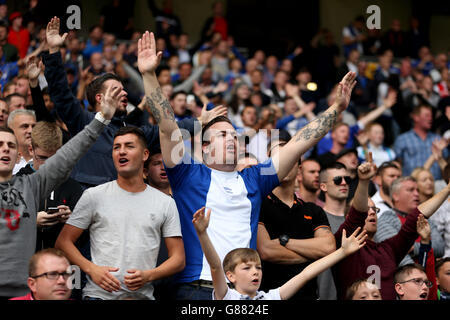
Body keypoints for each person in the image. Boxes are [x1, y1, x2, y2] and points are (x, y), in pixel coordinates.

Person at [137, 30, 357, 299]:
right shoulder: (186, 172)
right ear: (204, 147)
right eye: (222, 135)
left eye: (234, 135)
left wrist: (336, 109)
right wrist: (149, 75)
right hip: (197, 289)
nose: (231, 139)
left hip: (245, 294)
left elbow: (300, 141)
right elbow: (167, 123)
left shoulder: (255, 177)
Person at [42, 17, 218, 188]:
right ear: (99, 98)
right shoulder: (83, 121)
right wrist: (54, 53)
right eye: (116, 89)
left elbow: (168, 129)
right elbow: (61, 93)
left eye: (124, 89)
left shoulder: (132, 132)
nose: (124, 92)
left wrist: (198, 122)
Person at [0, 81, 121, 300]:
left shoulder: (30, 185)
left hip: (24, 292)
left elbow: (70, 153)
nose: (5, 149)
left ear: (18, 153)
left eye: (10, 145)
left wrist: (101, 119)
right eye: (0, 145)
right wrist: (30, 220)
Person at [55, 126, 185, 300]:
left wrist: (149, 275)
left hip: (142, 297)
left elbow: (178, 259)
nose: (121, 152)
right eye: (117, 147)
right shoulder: (93, 195)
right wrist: (91, 269)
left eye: (129, 146)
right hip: (97, 296)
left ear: (145, 155)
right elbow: (63, 242)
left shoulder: (165, 203)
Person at [332, 155, 450, 300]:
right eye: (366, 209)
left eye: (374, 210)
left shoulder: (388, 249)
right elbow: (357, 214)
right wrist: (363, 181)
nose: (371, 213)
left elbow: (415, 219)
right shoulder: (343, 245)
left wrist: (448, 188)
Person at [192, 206, 366, 300]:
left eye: (258, 267)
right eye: (247, 268)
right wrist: (202, 234)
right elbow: (215, 266)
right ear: (230, 276)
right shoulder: (226, 296)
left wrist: (342, 252)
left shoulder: (271, 297)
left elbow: (306, 274)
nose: (255, 272)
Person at [257, 139, 335, 300]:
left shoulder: (313, 210)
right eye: (278, 159)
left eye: (289, 158)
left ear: (299, 169)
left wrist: (285, 242)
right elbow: (266, 251)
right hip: (268, 296)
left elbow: (328, 248)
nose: (284, 164)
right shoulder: (258, 204)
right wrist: (313, 253)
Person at [15, 121, 83, 252]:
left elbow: (82, 239)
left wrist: (71, 221)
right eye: (42, 158)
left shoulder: (72, 187)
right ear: (31, 149)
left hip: (60, 265)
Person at [375, 176, 444, 266]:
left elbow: (440, 248)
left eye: (417, 190)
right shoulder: (387, 219)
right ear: (396, 196)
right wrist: (420, 275)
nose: (416, 194)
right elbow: (395, 255)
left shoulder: (424, 218)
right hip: (405, 277)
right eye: (411, 190)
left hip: (430, 274)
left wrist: (414, 248)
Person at [394, 104, 448, 180]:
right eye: (427, 115)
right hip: (412, 185)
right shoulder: (402, 139)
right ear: (416, 117)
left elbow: (446, 163)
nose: (430, 118)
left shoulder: (438, 139)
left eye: (431, 116)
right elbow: (397, 165)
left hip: (436, 184)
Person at [7, 109, 36, 174]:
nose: (31, 131)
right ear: (10, 130)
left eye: (34, 126)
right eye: (25, 126)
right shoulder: (3, 161)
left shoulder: (46, 159)